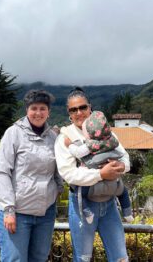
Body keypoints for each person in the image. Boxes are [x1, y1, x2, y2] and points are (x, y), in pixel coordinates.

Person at [55, 87, 130, 262]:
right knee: (83, 258)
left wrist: (119, 166)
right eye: (74, 110)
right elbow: (69, 174)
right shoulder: (65, 137)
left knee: (120, 257)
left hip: (110, 203)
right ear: (69, 113)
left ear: (90, 107)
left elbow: (125, 159)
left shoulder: (105, 131)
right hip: (83, 204)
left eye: (82, 107)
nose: (79, 112)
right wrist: (102, 174)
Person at [0, 89, 63, 262]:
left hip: (45, 213)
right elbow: (3, 172)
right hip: (18, 213)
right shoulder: (13, 133)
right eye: (34, 108)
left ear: (48, 112)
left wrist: (58, 191)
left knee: (39, 258)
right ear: (27, 110)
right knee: (15, 259)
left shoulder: (53, 138)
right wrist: (9, 209)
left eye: (42, 108)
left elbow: (58, 171)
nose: (38, 113)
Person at [64, 110, 134, 224]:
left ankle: (87, 212)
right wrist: (121, 165)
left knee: (77, 192)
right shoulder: (111, 140)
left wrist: (69, 144)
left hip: (93, 179)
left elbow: (77, 152)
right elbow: (123, 156)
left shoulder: (90, 145)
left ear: (90, 134)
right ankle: (127, 213)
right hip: (113, 179)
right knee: (123, 192)